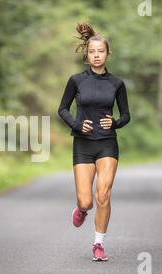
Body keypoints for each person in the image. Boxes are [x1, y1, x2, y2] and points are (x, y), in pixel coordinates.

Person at [57, 22, 131, 261]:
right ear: (86, 55)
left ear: (107, 54)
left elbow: (126, 115)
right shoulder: (76, 80)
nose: (97, 55)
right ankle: (81, 210)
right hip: (83, 143)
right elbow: (62, 109)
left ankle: (98, 243)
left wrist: (116, 123)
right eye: (92, 52)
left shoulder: (117, 84)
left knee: (103, 195)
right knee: (87, 201)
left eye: (101, 51)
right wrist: (77, 125)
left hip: (107, 143)